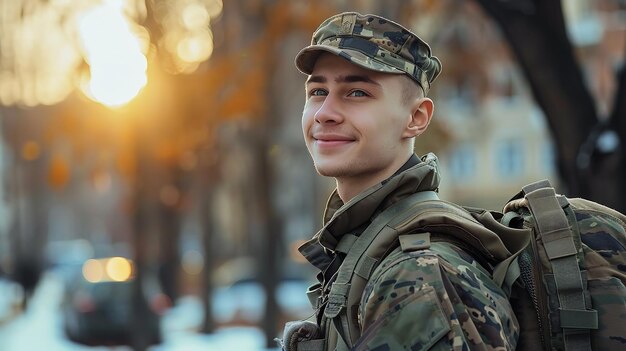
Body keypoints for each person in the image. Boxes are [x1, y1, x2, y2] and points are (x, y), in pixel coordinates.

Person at [279, 12, 519, 351]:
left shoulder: (418, 275)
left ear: (416, 118)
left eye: (357, 93)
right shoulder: (366, 246)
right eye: (318, 91)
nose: (324, 113)